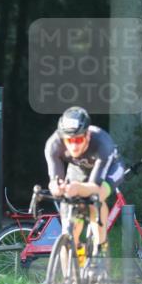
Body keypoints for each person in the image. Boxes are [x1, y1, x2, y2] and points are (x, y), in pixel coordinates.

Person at [44, 106, 126, 258]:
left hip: (110, 168)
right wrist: (56, 187)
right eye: (69, 141)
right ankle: (74, 263)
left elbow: (94, 187)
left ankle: (100, 246)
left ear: (87, 135)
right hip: (79, 168)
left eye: (78, 140)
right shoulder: (53, 145)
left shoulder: (102, 143)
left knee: (96, 198)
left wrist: (77, 187)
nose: (74, 146)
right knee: (69, 228)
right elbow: (55, 181)